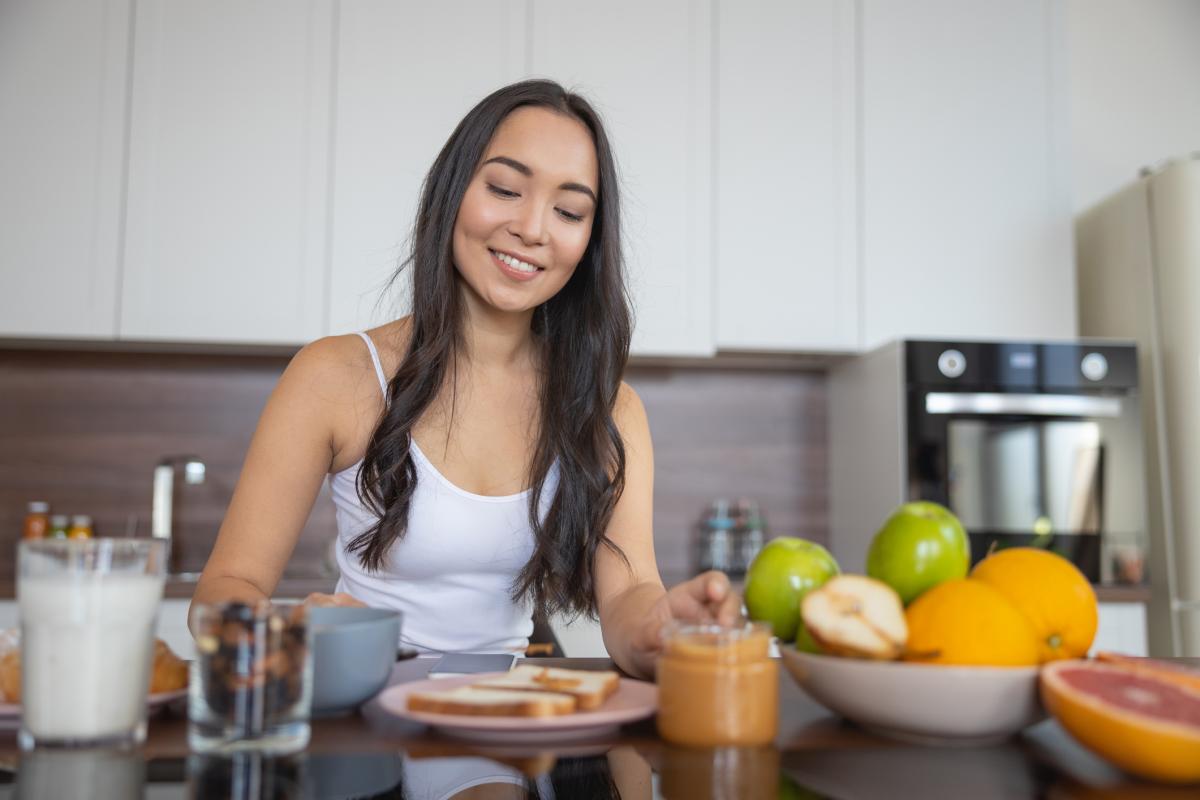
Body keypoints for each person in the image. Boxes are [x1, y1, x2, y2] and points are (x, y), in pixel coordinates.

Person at [190, 79, 740, 679]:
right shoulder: (336, 376)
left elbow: (629, 596)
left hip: (510, 732)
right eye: (505, 189)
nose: (533, 228)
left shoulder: (607, 409)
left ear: (590, 240)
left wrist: (665, 627)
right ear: (453, 192)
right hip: (364, 732)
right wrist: (279, 629)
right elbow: (227, 584)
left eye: (569, 210)